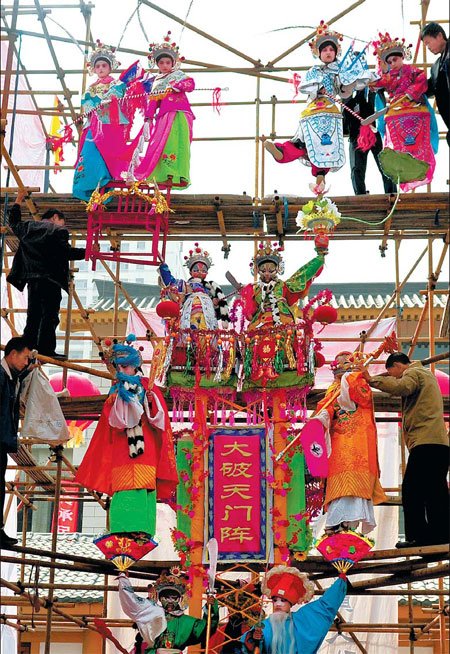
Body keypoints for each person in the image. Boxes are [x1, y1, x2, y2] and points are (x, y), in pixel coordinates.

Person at [75, 337, 178, 538]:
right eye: (118, 367)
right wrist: (116, 401)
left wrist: (150, 402)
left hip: (145, 448)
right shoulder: (115, 392)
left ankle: (143, 529)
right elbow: (114, 422)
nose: (121, 371)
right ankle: (121, 529)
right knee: (123, 487)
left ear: (134, 367)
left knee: (144, 485)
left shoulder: (148, 387)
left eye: (125, 367)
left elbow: (160, 419)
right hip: (123, 448)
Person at [264, 22, 374, 182]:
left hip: (331, 112)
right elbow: (306, 87)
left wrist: (347, 82)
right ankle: (281, 151)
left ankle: (320, 175)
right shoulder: (314, 70)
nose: (328, 52)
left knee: (325, 145)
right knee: (303, 141)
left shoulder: (340, 71)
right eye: (324, 50)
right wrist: (318, 89)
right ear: (319, 53)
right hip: (314, 110)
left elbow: (345, 91)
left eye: (331, 50)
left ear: (336, 52)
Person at [362, 352, 449, 548]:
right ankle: (441, 535)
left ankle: (418, 537)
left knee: (412, 491)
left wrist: (371, 380)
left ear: (398, 365)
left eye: (393, 373)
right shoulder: (427, 375)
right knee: (436, 492)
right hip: (439, 444)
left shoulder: (414, 373)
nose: (394, 377)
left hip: (426, 443)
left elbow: (402, 387)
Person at [7, 191, 85, 359]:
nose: (63, 226)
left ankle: (28, 347)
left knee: (33, 315)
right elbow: (65, 252)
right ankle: (46, 349)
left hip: (32, 279)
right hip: (51, 280)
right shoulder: (58, 231)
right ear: (55, 217)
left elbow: (13, 222)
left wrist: (19, 199)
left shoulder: (28, 228)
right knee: (49, 316)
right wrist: (88, 252)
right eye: (62, 223)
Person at [315, 351, 386, 535]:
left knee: (356, 488)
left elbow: (359, 397)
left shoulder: (360, 383)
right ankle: (335, 525)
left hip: (358, 442)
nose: (340, 367)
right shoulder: (332, 389)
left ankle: (351, 526)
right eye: (337, 364)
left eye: (344, 363)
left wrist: (352, 376)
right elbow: (326, 407)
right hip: (338, 444)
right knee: (338, 488)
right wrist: (323, 416)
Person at [73, 40, 146, 201]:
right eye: (97, 66)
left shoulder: (117, 84)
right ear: (94, 69)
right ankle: (90, 185)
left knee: (109, 153)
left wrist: (108, 98)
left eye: (103, 66)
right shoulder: (91, 87)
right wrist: (97, 102)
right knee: (90, 151)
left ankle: (108, 182)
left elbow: (119, 95)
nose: (100, 69)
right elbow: (86, 104)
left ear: (109, 67)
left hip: (110, 124)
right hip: (94, 123)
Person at [371, 32, 439, 191]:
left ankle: (419, 158)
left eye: (395, 59)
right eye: (389, 61)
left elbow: (422, 78)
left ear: (402, 57)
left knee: (421, 129)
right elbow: (377, 83)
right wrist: (370, 82)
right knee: (390, 123)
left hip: (416, 105)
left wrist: (412, 91)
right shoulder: (388, 76)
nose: (393, 63)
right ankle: (400, 156)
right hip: (396, 109)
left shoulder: (413, 71)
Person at [129, 32, 195, 187]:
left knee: (182, 143)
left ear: (173, 63)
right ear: (157, 65)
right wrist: (148, 118)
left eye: (167, 62)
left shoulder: (179, 75)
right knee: (167, 143)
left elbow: (191, 85)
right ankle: (167, 172)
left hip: (182, 113)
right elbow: (153, 102)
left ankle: (182, 174)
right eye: (161, 63)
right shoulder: (156, 82)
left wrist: (177, 86)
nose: (165, 65)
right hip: (165, 115)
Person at [242, 565, 346, 654]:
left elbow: (325, 606)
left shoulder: (301, 620)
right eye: (275, 600)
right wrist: (255, 640)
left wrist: (341, 582)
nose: (278, 604)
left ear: (290, 603)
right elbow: (245, 646)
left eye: (283, 600)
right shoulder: (264, 625)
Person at [118, 567, 219, 654]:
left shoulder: (187, 622)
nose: (170, 601)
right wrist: (124, 580)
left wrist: (211, 608)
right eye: (166, 597)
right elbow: (131, 601)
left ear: (179, 599)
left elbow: (207, 629)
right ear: (160, 598)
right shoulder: (152, 612)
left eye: (174, 598)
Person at [238, 236, 327, 330]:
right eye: (263, 270)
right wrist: (247, 298)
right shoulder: (254, 289)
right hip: (259, 324)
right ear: (257, 270)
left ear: (278, 269)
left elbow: (303, 274)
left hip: (283, 321)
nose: (267, 274)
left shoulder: (284, 286)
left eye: (271, 270)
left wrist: (320, 257)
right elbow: (250, 316)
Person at [0, 337, 33, 547]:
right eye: (25, 357)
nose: (26, 362)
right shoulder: (1, 376)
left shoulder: (10, 377)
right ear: (13, 354)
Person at [159, 244, 229, 331]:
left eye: (203, 271)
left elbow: (219, 309)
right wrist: (163, 267)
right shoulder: (184, 284)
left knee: (209, 333)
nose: (200, 272)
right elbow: (171, 282)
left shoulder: (211, 287)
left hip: (208, 312)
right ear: (190, 272)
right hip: (190, 311)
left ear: (207, 273)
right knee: (190, 333)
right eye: (196, 270)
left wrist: (215, 303)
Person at [343, 87, 397, 195]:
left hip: (371, 133)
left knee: (383, 164)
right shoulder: (349, 102)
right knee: (357, 167)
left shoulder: (374, 96)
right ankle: (361, 194)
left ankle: (391, 192)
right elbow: (344, 127)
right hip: (358, 136)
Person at [421, 22, 450, 146]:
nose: (427, 47)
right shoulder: (435, 67)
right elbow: (427, 88)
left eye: (428, 42)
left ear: (439, 36)